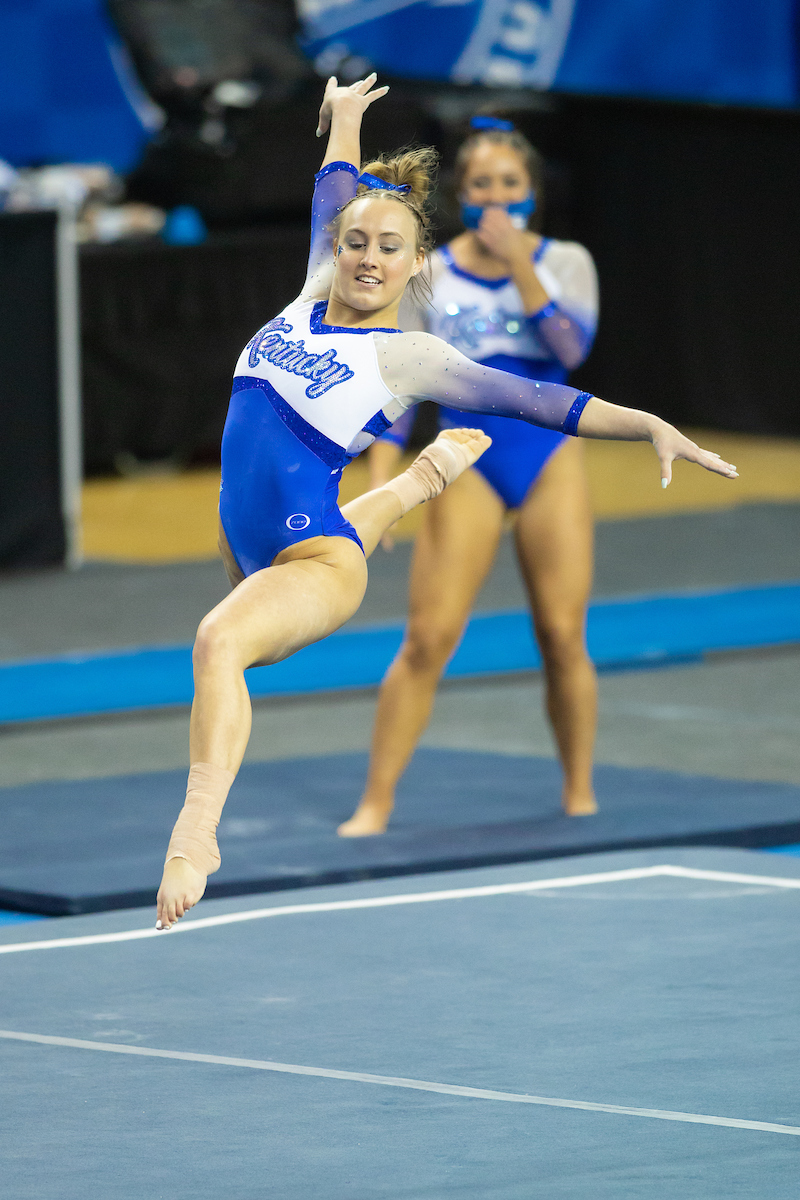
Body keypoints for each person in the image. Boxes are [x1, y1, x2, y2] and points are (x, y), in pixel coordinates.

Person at [156, 75, 737, 929]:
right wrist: (347, 118)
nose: (366, 257)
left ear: (414, 261)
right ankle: (417, 483)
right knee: (228, 639)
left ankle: (196, 833)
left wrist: (647, 420)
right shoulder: (311, 289)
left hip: (314, 558)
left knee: (218, 642)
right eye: (355, 242)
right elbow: (334, 190)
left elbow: (539, 400)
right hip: (243, 542)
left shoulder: (412, 358)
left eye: (389, 248)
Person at [338, 115, 601, 836]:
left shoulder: (566, 261)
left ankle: (580, 790)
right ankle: (376, 801)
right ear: (462, 190)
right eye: (481, 184)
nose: (495, 196)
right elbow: (399, 385)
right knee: (429, 636)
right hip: (467, 455)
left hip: (549, 455)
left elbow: (570, 349)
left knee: (561, 631)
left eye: (509, 184)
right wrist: (382, 478)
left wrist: (519, 261)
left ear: (531, 193)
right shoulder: (431, 273)